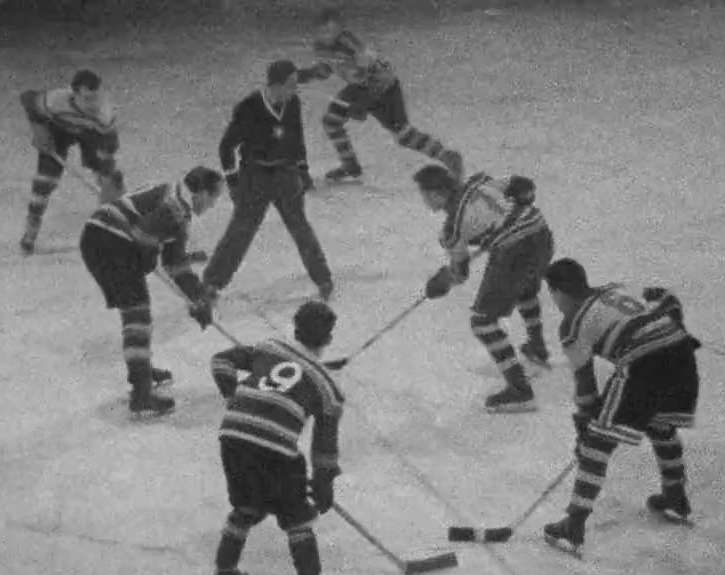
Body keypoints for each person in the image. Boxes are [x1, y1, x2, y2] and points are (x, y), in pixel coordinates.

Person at [541, 258, 701, 553]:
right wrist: (670, 326)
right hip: (681, 351)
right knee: (661, 426)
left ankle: (573, 527)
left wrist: (587, 430)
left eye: (551, 294)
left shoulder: (571, 327)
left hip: (643, 363)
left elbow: (586, 387)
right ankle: (676, 499)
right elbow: (665, 296)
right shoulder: (616, 290)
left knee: (596, 445)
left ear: (559, 291)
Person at [206, 301, 344, 575]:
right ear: (328, 339)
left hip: (233, 437)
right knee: (297, 520)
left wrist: (235, 397)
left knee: (246, 507)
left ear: (295, 328)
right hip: (275, 450)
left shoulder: (269, 347)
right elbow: (323, 449)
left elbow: (221, 361)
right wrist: (323, 485)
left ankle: (225, 572)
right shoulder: (328, 388)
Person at [79, 167, 222, 418]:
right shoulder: (175, 208)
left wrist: (197, 297)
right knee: (137, 314)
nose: (213, 205)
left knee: (136, 312)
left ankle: (141, 372)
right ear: (201, 193)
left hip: (100, 236)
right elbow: (143, 235)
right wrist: (147, 260)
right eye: (214, 197)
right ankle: (141, 394)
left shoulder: (176, 201)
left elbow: (175, 263)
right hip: (111, 240)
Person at [414, 165, 555, 413]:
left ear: (435, 194)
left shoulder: (452, 228)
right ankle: (537, 347)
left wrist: (440, 282)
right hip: (541, 234)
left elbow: (460, 273)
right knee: (525, 289)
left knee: (483, 322)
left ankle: (520, 391)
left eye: (424, 195)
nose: (424, 201)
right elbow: (523, 185)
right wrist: (518, 208)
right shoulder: (481, 182)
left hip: (514, 251)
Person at [202, 60, 334, 303]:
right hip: (255, 177)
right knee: (241, 230)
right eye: (291, 84)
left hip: (285, 175)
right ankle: (212, 283)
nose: (295, 90)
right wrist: (233, 182)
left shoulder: (292, 102)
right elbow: (226, 147)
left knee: (301, 228)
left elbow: (296, 137)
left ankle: (323, 279)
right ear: (276, 85)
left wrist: (303, 171)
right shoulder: (249, 107)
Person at [297, 7, 463, 184]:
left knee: (403, 135)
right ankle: (350, 165)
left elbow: (380, 76)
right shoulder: (322, 48)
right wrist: (300, 76)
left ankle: (447, 156)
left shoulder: (352, 46)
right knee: (331, 121)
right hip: (359, 88)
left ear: (339, 29)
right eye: (320, 32)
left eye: (329, 31)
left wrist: (363, 103)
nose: (325, 36)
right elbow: (327, 69)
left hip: (384, 90)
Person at [19, 69, 122, 255]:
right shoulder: (54, 101)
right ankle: (30, 234)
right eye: (87, 99)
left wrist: (106, 181)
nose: (93, 105)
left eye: (96, 98)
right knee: (45, 181)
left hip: (89, 134)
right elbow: (28, 99)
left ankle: (120, 229)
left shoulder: (104, 116)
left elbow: (108, 151)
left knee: (109, 180)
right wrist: (38, 130)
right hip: (57, 131)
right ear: (73, 95)